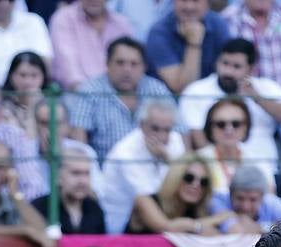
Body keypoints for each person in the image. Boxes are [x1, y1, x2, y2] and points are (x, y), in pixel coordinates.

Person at [179, 40, 281, 177]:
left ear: (250, 69)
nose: (228, 71)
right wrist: (222, 169)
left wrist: (258, 98)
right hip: (216, 171)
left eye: (236, 66)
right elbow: (199, 139)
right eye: (225, 63)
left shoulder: (266, 87)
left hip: (265, 170)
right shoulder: (196, 91)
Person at [67, 37, 175, 164]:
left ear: (144, 67)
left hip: (153, 167)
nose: (127, 70)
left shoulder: (156, 90)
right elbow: (79, 141)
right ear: (107, 64)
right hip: (105, 170)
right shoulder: (90, 91)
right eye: (120, 63)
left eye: (134, 64)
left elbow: (180, 131)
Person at [98, 100, 186, 232]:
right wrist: (168, 161)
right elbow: (148, 196)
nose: (161, 136)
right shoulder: (125, 152)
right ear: (142, 125)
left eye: (167, 130)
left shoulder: (175, 140)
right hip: (123, 223)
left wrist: (167, 158)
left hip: (162, 214)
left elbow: (183, 179)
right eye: (155, 128)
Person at [125, 154, 231, 234]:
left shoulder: (197, 211)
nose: (196, 185)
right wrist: (208, 223)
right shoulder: (144, 201)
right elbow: (166, 228)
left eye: (203, 182)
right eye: (189, 178)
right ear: (175, 178)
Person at [146, 0, 232, 93]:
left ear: (207, 4)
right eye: (184, 0)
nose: (189, 6)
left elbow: (230, 71)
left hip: (213, 95)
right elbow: (183, 89)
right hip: (168, 99)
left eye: (196, 1)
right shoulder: (159, 33)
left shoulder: (218, 24)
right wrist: (194, 44)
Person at [50, 0, 136, 91]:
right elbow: (70, 73)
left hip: (118, 93)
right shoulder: (63, 19)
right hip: (77, 94)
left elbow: (133, 63)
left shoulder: (122, 24)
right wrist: (91, 95)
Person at [30, 149, 108, 235]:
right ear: (57, 176)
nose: (82, 181)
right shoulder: (39, 209)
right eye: (76, 173)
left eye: (86, 173)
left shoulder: (95, 209)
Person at [210, 165, 281, 233]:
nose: (246, 206)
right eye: (240, 198)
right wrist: (275, 227)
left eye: (253, 200)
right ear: (230, 194)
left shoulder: (270, 201)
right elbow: (236, 231)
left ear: (262, 198)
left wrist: (261, 227)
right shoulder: (218, 200)